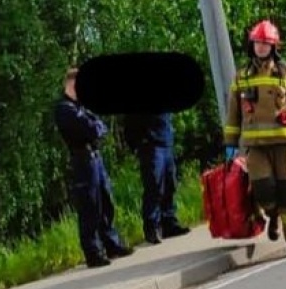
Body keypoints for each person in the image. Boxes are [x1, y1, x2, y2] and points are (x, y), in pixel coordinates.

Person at [223, 20, 286, 256]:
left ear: (273, 46)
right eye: (258, 43)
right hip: (255, 148)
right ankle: (272, 215)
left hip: (285, 145)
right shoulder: (242, 77)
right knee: (264, 190)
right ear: (252, 45)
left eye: (266, 43)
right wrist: (230, 144)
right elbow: (232, 114)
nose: (261, 47)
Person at [54, 67, 133, 268]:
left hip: (95, 158)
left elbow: (100, 126)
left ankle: (111, 243)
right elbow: (89, 128)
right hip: (82, 160)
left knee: (105, 201)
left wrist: (94, 127)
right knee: (90, 206)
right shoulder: (64, 109)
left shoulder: (80, 107)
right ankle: (93, 252)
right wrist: (94, 127)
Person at [117, 113, 191, 244]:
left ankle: (169, 222)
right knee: (154, 186)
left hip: (165, 141)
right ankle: (151, 227)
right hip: (151, 144)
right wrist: (138, 143)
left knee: (170, 183)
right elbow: (129, 123)